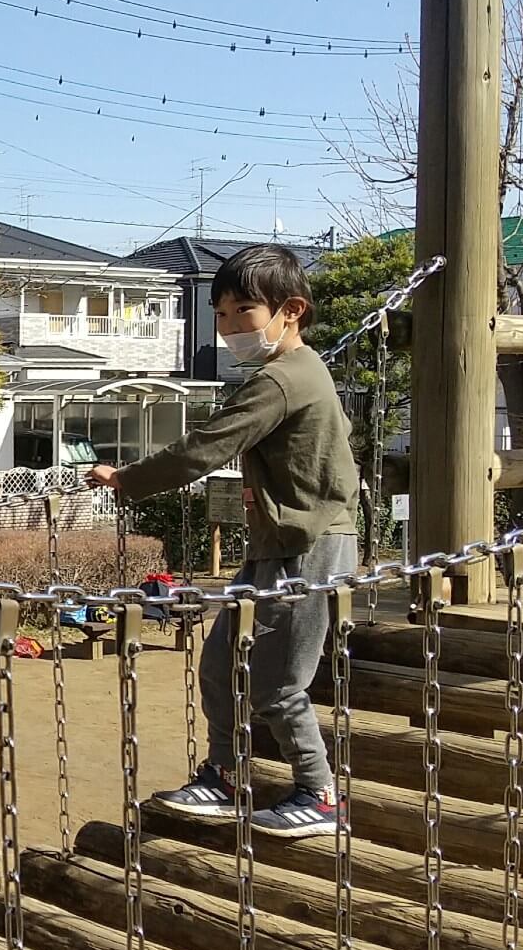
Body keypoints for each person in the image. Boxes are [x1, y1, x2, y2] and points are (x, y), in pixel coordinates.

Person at [87, 244, 358, 839]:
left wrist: (127, 479)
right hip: (275, 541)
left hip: (309, 545)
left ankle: (320, 793)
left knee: (277, 680)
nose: (231, 328)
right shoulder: (291, 372)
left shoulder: (285, 379)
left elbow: (207, 446)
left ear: (291, 311)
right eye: (222, 314)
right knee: (218, 663)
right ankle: (226, 774)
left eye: (245, 313)